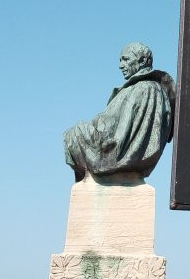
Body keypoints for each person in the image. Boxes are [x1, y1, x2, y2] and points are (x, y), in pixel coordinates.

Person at [64, 42, 175, 182]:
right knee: (74, 133)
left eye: (126, 59)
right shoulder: (136, 87)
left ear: (142, 61)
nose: (121, 65)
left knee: (75, 133)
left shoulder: (146, 88)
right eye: (120, 60)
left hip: (116, 149)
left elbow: (122, 134)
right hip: (113, 145)